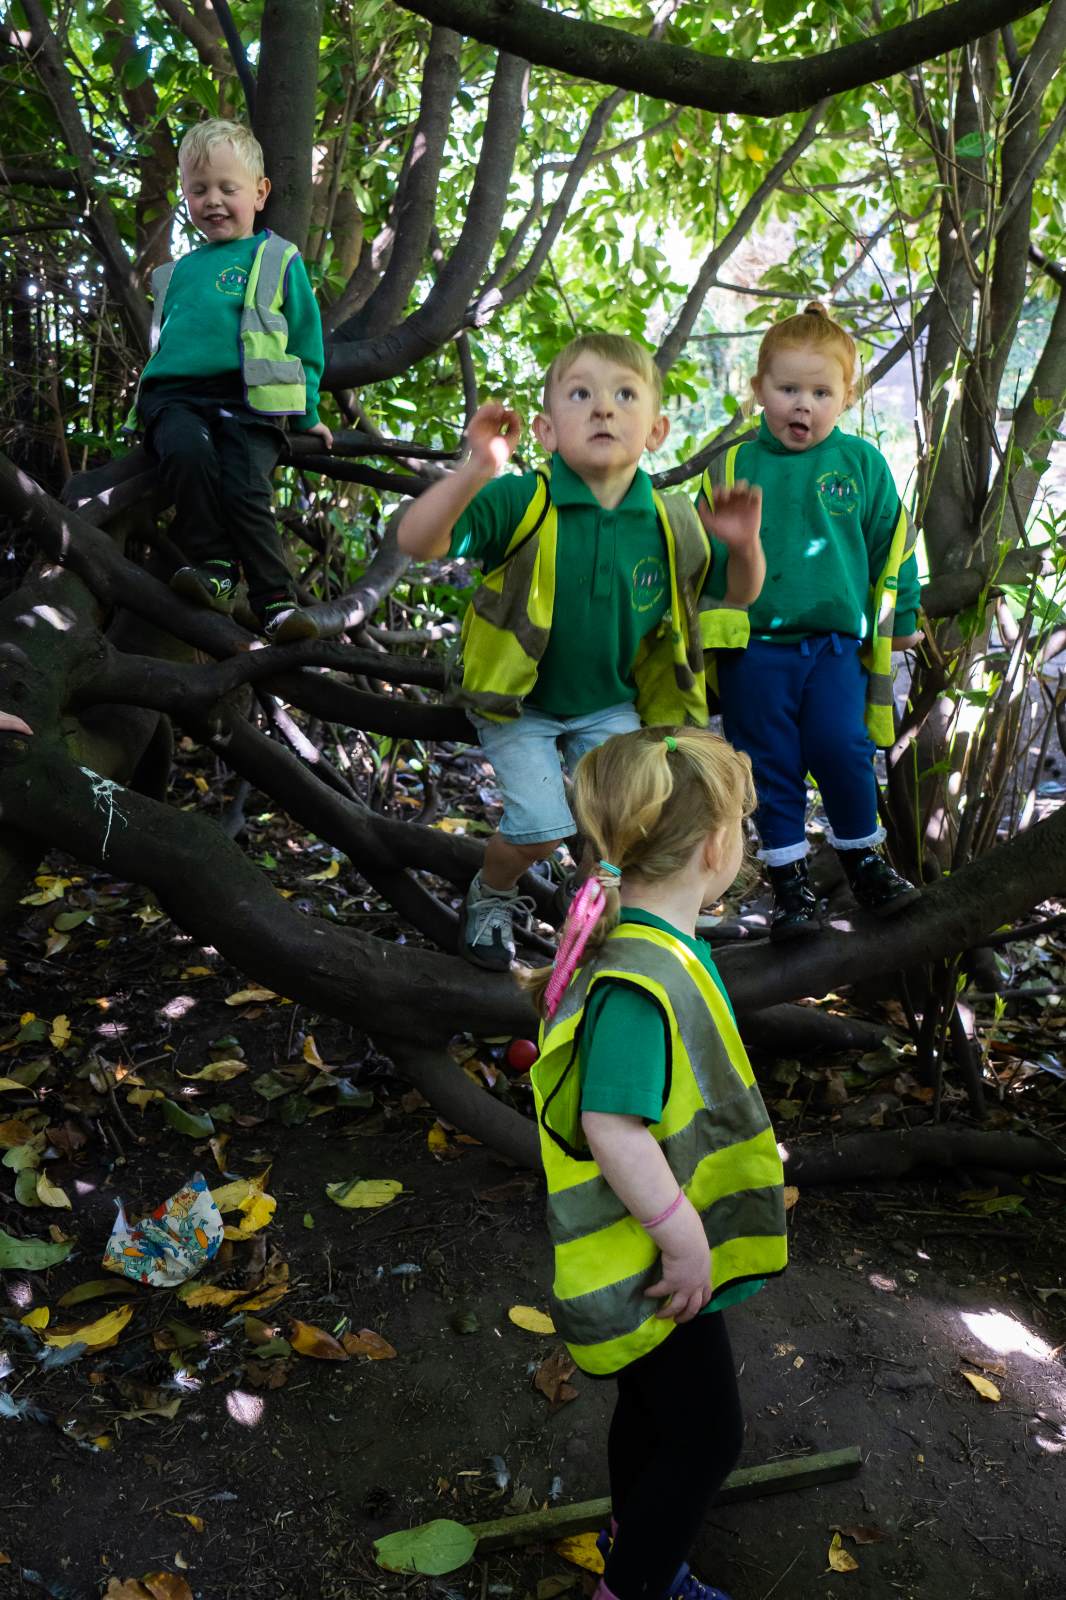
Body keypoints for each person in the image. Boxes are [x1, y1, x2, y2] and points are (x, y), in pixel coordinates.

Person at [397, 332, 765, 969]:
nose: (603, 408)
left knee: (626, 823)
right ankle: (493, 892)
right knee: (539, 828)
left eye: (625, 395)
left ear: (656, 431)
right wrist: (479, 468)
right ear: (545, 430)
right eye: (580, 394)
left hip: (609, 703)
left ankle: (595, 904)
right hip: (520, 704)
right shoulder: (525, 501)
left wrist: (744, 545)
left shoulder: (670, 521)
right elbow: (417, 539)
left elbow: (737, 594)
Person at [524, 726, 788, 1600]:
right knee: (708, 1438)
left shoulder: (647, 944)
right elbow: (613, 1125)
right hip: (648, 1254)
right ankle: (638, 1583)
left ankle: (632, 1539)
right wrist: (683, 1240)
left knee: (654, 1410)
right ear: (715, 846)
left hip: (642, 1248)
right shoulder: (642, 978)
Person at [699, 301, 922, 940]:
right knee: (769, 763)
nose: (804, 405)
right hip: (753, 651)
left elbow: (893, 546)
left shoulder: (861, 465)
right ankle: (790, 887)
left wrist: (903, 617)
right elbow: (700, 557)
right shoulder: (732, 467)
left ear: (846, 397)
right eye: (789, 389)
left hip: (833, 648)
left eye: (821, 393)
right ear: (759, 389)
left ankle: (864, 862)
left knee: (841, 745)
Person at [127, 119, 333, 642]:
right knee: (186, 455)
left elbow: (306, 342)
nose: (213, 200)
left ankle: (276, 603)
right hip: (176, 399)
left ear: (260, 194)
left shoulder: (277, 257)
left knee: (245, 490)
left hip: (248, 403)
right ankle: (215, 569)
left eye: (227, 188)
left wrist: (307, 413)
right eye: (199, 190)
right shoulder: (176, 272)